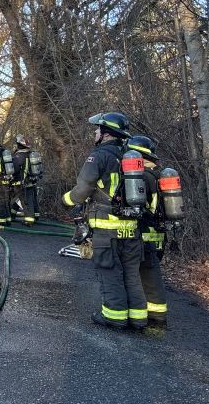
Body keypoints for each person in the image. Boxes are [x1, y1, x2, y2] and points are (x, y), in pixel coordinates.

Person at [63, 112, 147, 330]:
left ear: (106, 133)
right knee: (131, 273)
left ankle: (115, 315)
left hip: (107, 227)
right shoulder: (129, 156)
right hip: (131, 227)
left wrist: (66, 200)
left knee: (109, 271)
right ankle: (138, 317)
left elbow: (82, 190)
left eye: (97, 129)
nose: (94, 132)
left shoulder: (98, 156)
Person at [126, 135, 169, 327]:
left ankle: (138, 315)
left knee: (135, 274)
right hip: (158, 234)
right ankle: (157, 314)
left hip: (143, 233)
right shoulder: (158, 176)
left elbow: (137, 207)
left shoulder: (141, 176)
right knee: (151, 274)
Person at [11, 134, 42, 225]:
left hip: (21, 182)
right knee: (20, 199)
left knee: (25, 201)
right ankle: (13, 214)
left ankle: (29, 220)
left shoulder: (19, 156)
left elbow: (15, 169)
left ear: (19, 145)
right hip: (30, 181)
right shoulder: (29, 154)